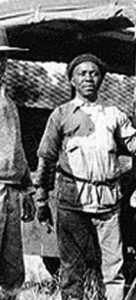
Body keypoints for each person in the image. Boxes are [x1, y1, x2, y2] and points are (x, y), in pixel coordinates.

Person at [34, 53, 136, 300]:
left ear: (101, 79)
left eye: (94, 73)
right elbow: (46, 158)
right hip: (72, 203)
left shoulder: (113, 114)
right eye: (82, 74)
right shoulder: (61, 115)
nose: (88, 78)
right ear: (72, 80)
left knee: (113, 269)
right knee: (71, 270)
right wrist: (41, 200)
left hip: (107, 204)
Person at [0, 26, 36, 300]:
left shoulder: (8, 102)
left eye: (4, 58)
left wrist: (27, 189)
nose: (1, 64)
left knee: (12, 266)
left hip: (11, 191)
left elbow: (16, 148)